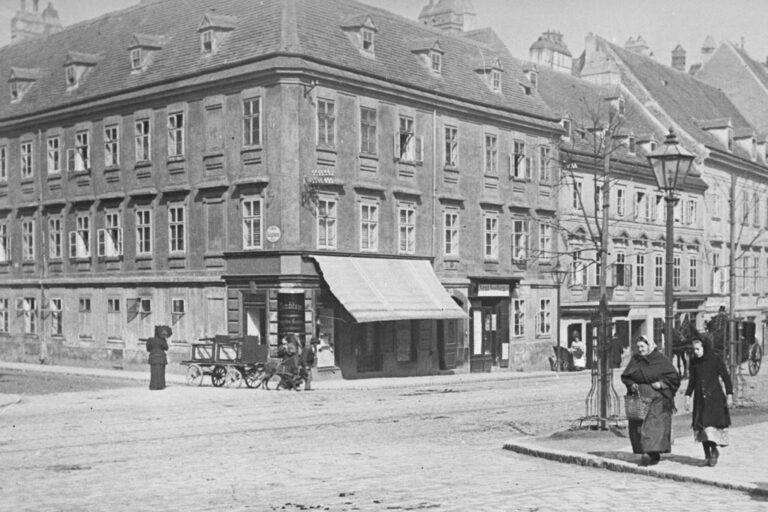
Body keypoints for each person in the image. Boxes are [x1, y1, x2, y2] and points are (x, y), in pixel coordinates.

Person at [621, 335, 681, 466]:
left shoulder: (660, 359)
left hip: (658, 399)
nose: (640, 350)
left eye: (642, 346)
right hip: (639, 398)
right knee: (638, 427)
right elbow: (626, 376)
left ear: (650, 346)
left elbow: (674, 378)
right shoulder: (636, 360)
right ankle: (649, 453)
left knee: (653, 426)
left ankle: (650, 453)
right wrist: (632, 385)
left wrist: (661, 384)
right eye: (638, 347)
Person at [684, 337, 733, 466]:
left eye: (698, 349)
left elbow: (726, 377)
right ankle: (707, 455)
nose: (696, 352)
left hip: (714, 398)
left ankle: (714, 452)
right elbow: (692, 381)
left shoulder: (715, 360)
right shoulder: (694, 362)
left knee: (710, 427)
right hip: (700, 398)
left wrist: (729, 394)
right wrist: (687, 396)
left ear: (704, 348)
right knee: (701, 426)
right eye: (694, 349)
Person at [146, 325, 171, 390]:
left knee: (153, 372)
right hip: (161, 358)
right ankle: (160, 385)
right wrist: (164, 341)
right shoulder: (162, 340)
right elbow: (166, 348)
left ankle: (153, 386)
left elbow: (148, 349)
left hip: (153, 358)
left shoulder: (150, 340)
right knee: (160, 372)